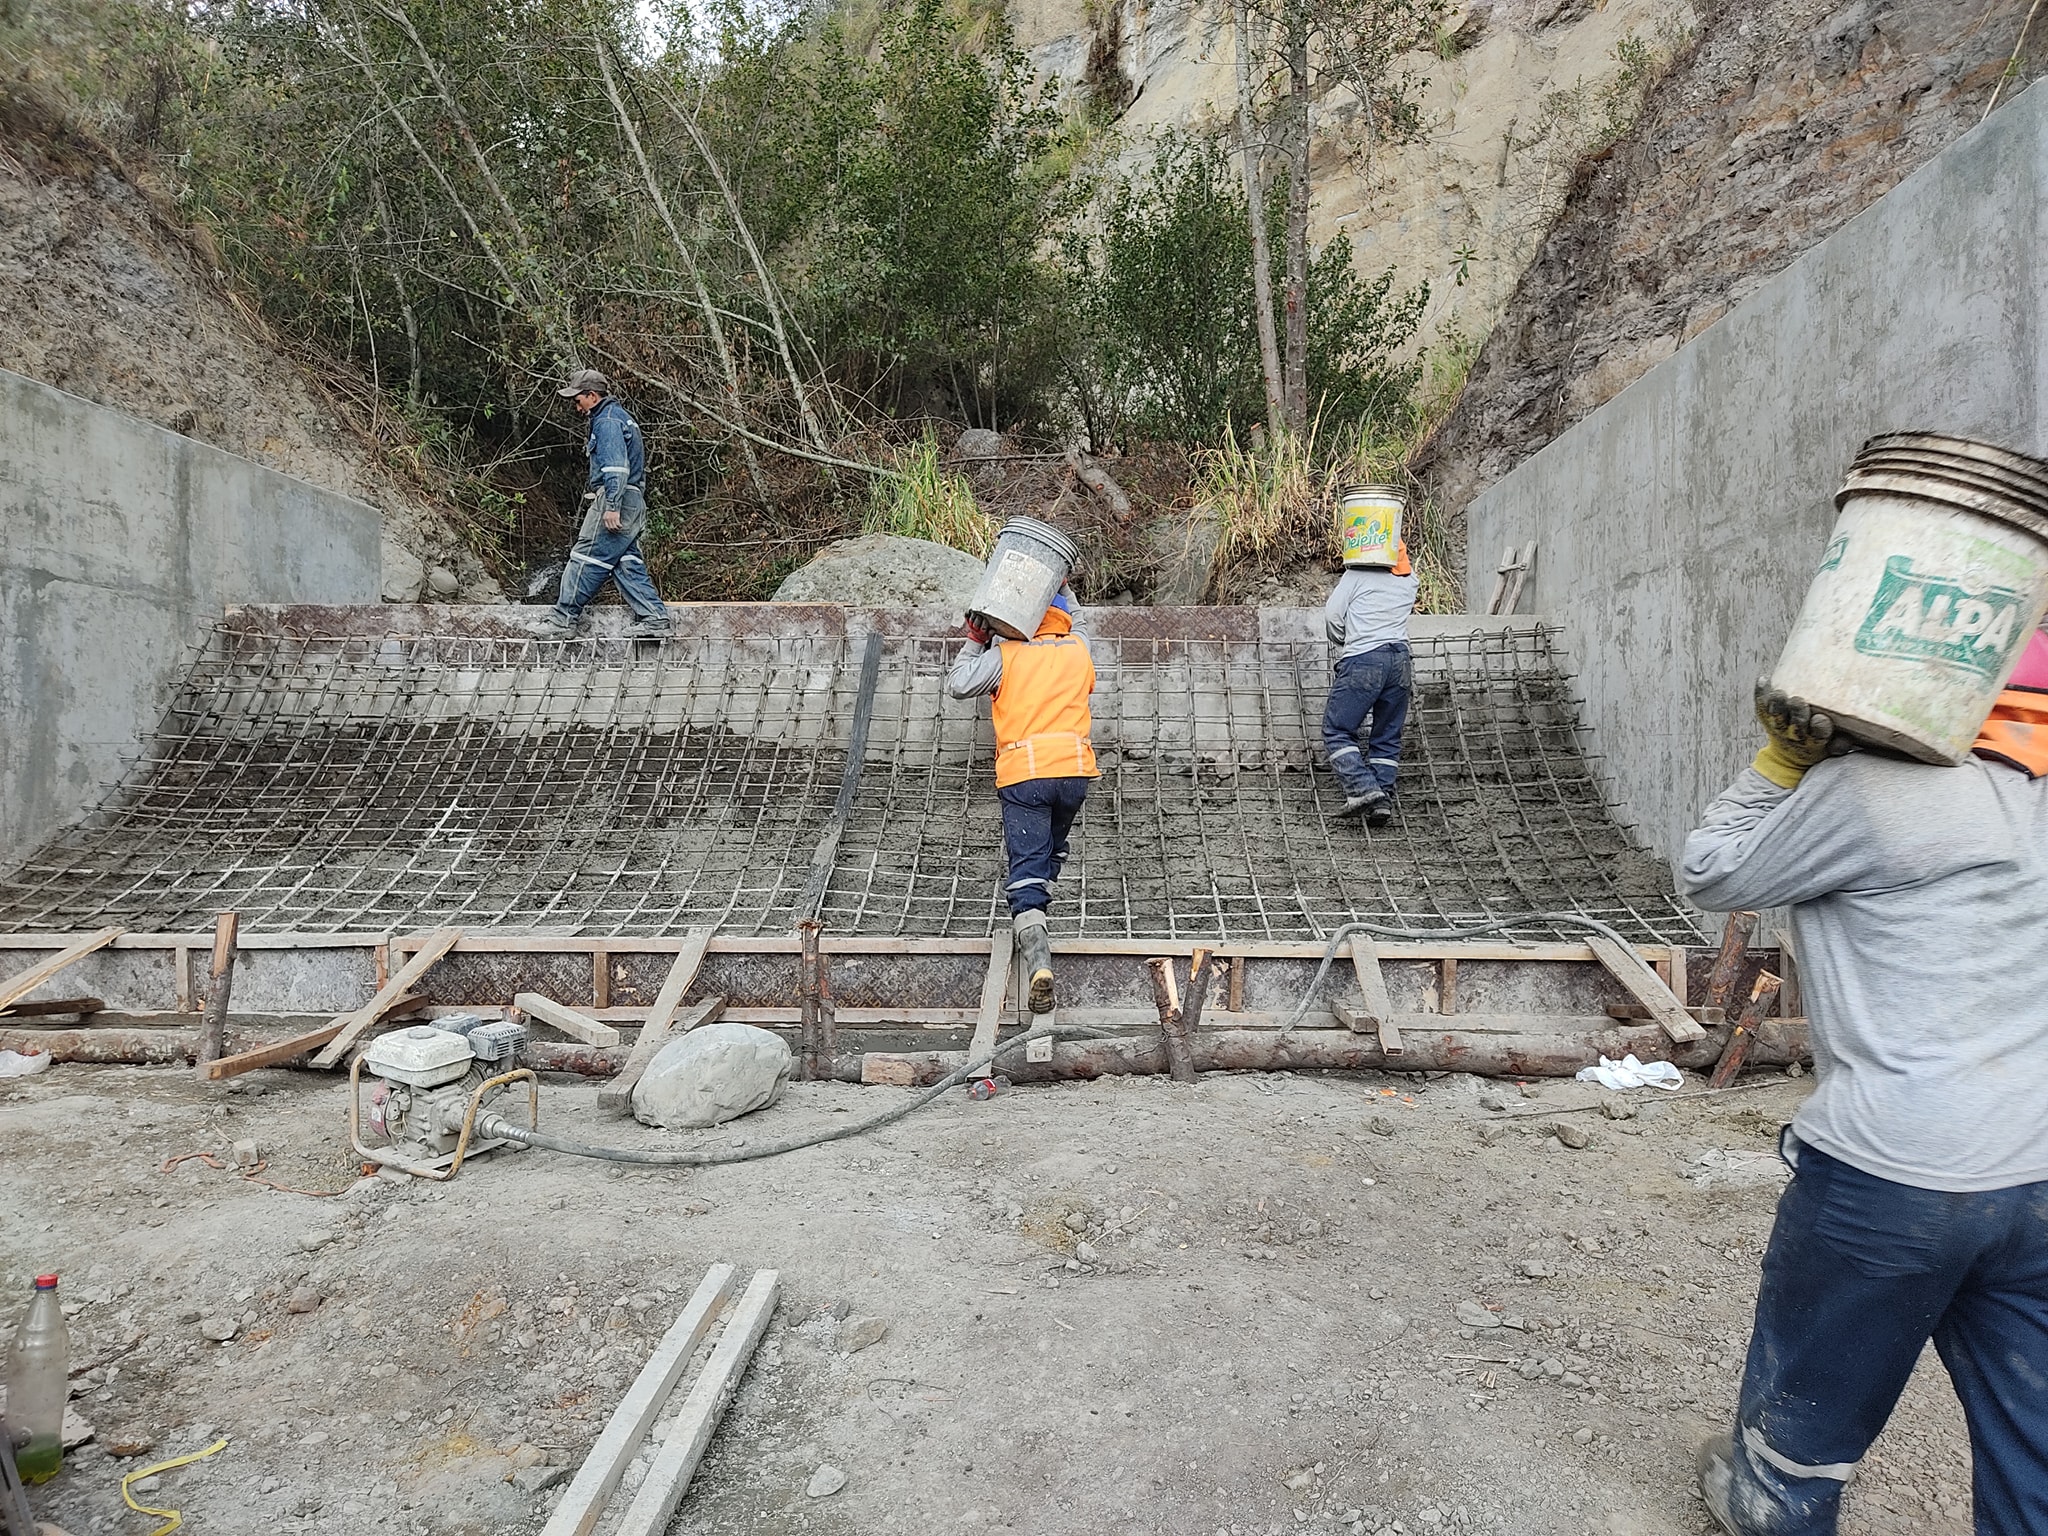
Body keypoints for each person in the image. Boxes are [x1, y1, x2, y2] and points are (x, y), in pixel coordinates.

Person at [1678, 627, 2048, 1536]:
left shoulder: (1875, 795)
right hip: (2035, 1169)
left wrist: (1782, 760)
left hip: (1893, 1178)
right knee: (2033, 1446)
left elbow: (1711, 867)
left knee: (1797, 1446)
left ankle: (1774, 1500)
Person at [945, 585, 1098, 1013]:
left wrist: (976, 640)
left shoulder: (1006, 657)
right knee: (1051, 850)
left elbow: (958, 684)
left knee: (1026, 865)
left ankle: (1037, 958)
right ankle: (1039, 919)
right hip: (1074, 773)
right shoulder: (1077, 650)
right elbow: (1080, 621)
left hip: (1025, 774)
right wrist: (1059, 583)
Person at [544, 369, 671, 639]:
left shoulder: (607, 421)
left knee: (586, 554)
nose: (576, 407)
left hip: (619, 497)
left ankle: (563, 619)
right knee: (625, 561)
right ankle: (655, 619)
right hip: (633, 499)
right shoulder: (622, 418)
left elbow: (616, 467)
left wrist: (611, 504)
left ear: (592, 396)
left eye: (578, 400)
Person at [1322, 541, 1418, 827]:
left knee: (1337, 729)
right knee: (1387, 734)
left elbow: (1333, 616)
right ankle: (1383, 798)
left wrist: (1345, 640)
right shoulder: (1410, 580)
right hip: (1400, 659)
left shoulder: (1356, 575)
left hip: (1364, 659)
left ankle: (1364, 789)